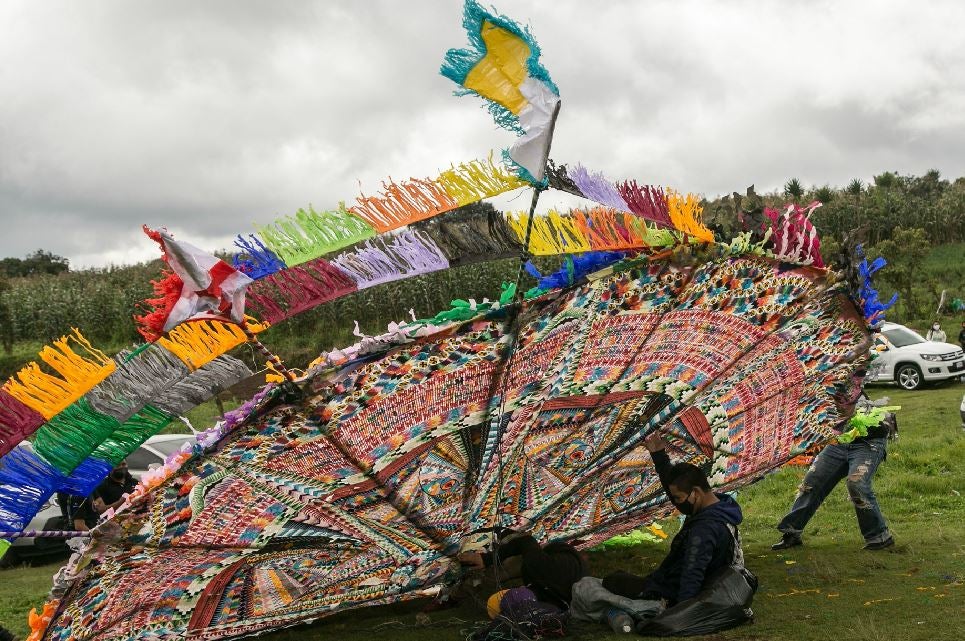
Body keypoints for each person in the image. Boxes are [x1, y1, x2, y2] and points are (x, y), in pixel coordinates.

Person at [601, 432, 745, 606]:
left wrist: (681, 612)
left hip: (668, 592)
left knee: (612, 580)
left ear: (696, 493)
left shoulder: (705, 529)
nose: (676, 503)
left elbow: (693, 572)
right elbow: (676, 487)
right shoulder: (720, 507)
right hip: (673, 583)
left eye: (678, 498)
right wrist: (659, 456)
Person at [773, 393, 895, 551]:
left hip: (868, 441)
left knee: (856, 484)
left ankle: (880, 537)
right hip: (839, 440)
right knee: (812, 482)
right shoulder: (808, 395)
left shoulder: (843, 381)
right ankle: (791, 533)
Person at [457, 529, 586, 610]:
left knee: (506, 570)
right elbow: (526, 540)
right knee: (517, 541)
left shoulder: (557, 604)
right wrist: (487, 559)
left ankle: (463, 590)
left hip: (574, 568)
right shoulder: (538, 565)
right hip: (559, 559)